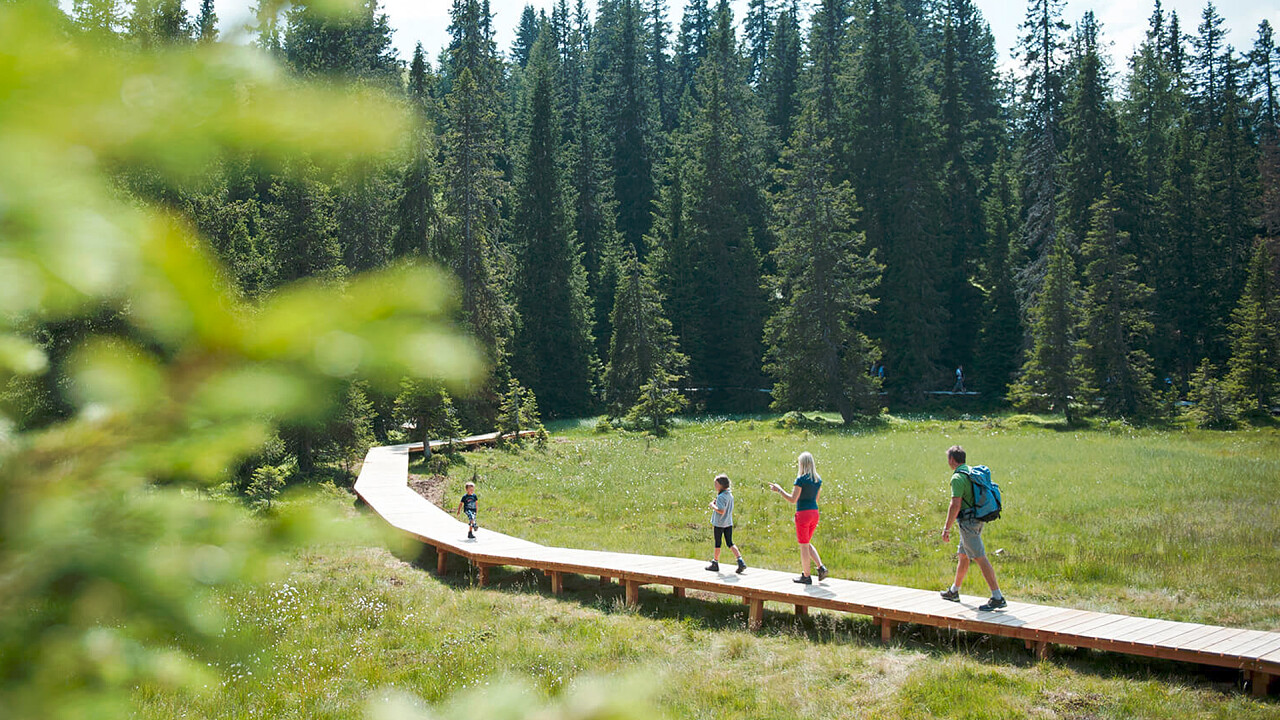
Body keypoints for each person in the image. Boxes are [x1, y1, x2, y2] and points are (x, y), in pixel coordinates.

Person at [939, 445, 1005, 610]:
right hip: (977, 519)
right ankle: (954, 591)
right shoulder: (971, 472)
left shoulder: (957, 478)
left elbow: (955, 505)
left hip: (968, 523)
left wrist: (946, 529)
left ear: (952, 460)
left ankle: (997, 597)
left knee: (980, 557)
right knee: (963, 555)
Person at [769, 451, 828, 584]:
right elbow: (816, 499)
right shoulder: (818, 480)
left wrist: (779, 490)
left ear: (802, 464)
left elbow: (792, 499)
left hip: (803, 514)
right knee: (806, 542)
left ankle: (806, 576)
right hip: (814, 513)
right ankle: (821, 567)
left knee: (803, 546)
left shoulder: (800, 480)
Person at [705, 474, 747, 574]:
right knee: (730, 543)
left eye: (716, 484)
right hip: (728, 523)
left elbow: (721, 510)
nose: (715, 486)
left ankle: (715, 562)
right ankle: (740, 560)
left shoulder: (721, 497)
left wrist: (712, 506)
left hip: (719, 523)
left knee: (718, 543)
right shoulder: (729, 495)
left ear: (721, 485)